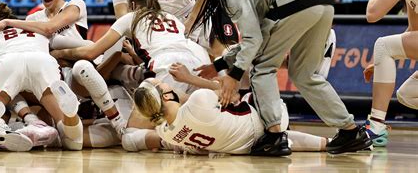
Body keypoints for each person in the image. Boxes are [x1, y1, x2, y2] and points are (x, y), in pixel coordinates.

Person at [188, 0, 372, 156]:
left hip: (295, 3)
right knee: (304, 75)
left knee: (261, 68)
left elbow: (253, 40)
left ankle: (274, 136)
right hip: (323, 0)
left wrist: (234, 75)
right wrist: (220, 64)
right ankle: (351, 132)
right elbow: (256, 39)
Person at [0, 0, 126, 139]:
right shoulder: (32, 19)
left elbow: (49, 28)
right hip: (52, 75)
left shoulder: (75, 5)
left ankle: (117, 119)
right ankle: (27, 124)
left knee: (84, 64)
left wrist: (7, 21)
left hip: (82, 67)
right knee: (13, 77)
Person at [0, 3, 82, 151]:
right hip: (42, 63)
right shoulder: (40, 32)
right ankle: (70, 116)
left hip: (9, 63)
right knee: (73, 141)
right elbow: (78, 46)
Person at [51, 0, 211, 95]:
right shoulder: (172, 17)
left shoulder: (131, 17)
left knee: (151, 125)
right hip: (194, 65)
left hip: (167, 65)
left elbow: (91, 52)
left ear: (133, 4)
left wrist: (60, 53)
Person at [133, 76, 329, 155]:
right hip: (262, 123)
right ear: (166, 96)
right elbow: (230, 92)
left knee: (284, 138)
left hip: (245, 148)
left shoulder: (163, 131)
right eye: (160, 84)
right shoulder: (198, 100)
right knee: (258, 79)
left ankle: (328, 143)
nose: (165, 81)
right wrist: (191, 79)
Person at [363, 0, 418, 147]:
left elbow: (372, 14)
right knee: (407, 94)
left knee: (383, 44)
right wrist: (381, 62)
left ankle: (375, 127)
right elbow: (414, 30)